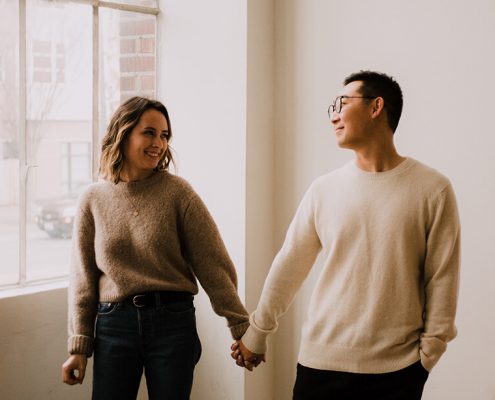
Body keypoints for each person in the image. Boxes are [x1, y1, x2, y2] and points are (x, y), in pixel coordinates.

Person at [231, 71, 461, 399]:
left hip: (397, 371)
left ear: (376, 106)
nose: (334, 116)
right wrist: (257, 332)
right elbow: (289, 266)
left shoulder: (432, 189)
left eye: (342, 103)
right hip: (320, 365)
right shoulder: (324, 190)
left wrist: (427, 356)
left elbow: (442, 279)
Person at [61, 96, 249, 400]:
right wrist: (79, 346)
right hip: (113, 325)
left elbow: (212, 263)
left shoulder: (178, 193)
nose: (158, 143)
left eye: (164, 136)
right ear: (123, 133)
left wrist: (240, 325)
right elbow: (83, 279)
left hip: (172, 323)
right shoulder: (93, 198)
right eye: (149, 132)